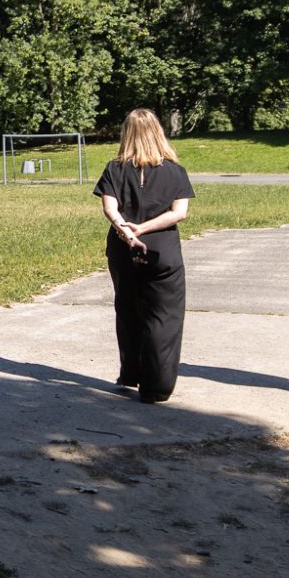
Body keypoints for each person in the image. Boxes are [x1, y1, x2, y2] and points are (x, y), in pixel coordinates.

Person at [93, 109, 195, 404]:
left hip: (123, 251)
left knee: (128, 309)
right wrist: (146, 227)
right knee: (164, 316)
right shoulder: (176, 171)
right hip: (162, 250)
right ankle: (157, 386)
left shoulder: (114, 169)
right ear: (158, 132)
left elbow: (109, 208)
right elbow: (180, 213)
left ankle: (130, 374)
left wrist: (126, 231)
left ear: (126, 133)